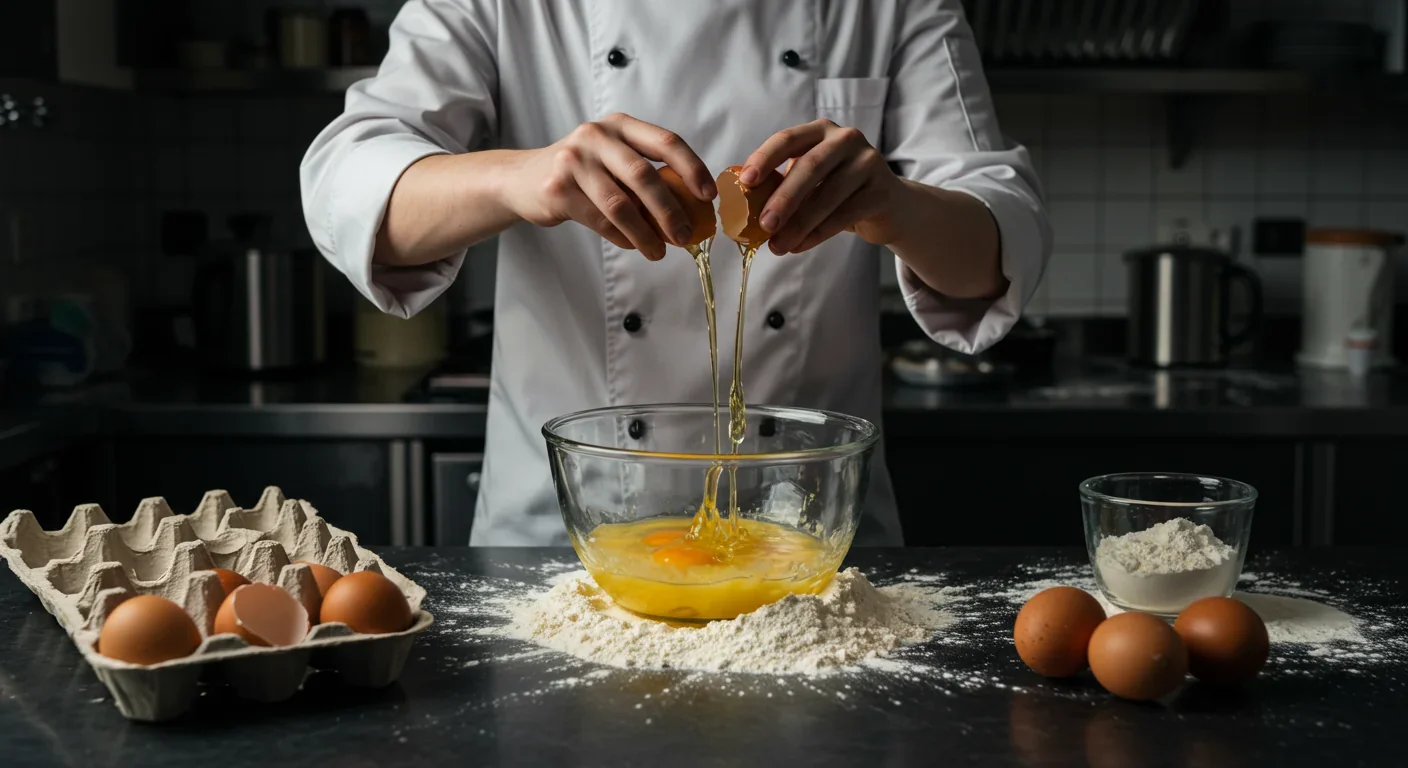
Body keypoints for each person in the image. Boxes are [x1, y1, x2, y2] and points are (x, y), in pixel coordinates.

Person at [301, 0, 1050, 547]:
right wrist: (524, 177)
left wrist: (897, 205)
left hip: (814, 548)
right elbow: (350, 181)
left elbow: (997, 244)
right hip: (559, 551)